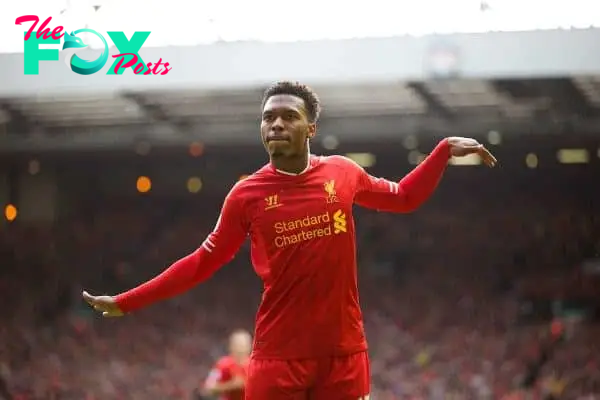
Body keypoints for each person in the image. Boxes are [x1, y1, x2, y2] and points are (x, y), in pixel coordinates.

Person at [83, 81, 497, 399]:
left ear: (310, 127)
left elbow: (405, 198)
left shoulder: (343, 173)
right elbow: (200, 262)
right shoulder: (246, 195)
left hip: (344, 355)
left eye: (287, 116)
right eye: (268, 117)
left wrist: (441, 151)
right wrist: (127, 301)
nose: (276, 123)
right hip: (278, 359)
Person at [199, 330, 252, 400]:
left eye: (243, 345)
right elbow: (207, 387)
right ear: (231, 346)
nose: (240, 349)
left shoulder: (255, 366)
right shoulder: (222, 364)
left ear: (250, 346)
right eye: (238, 345)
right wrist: (230, 385)